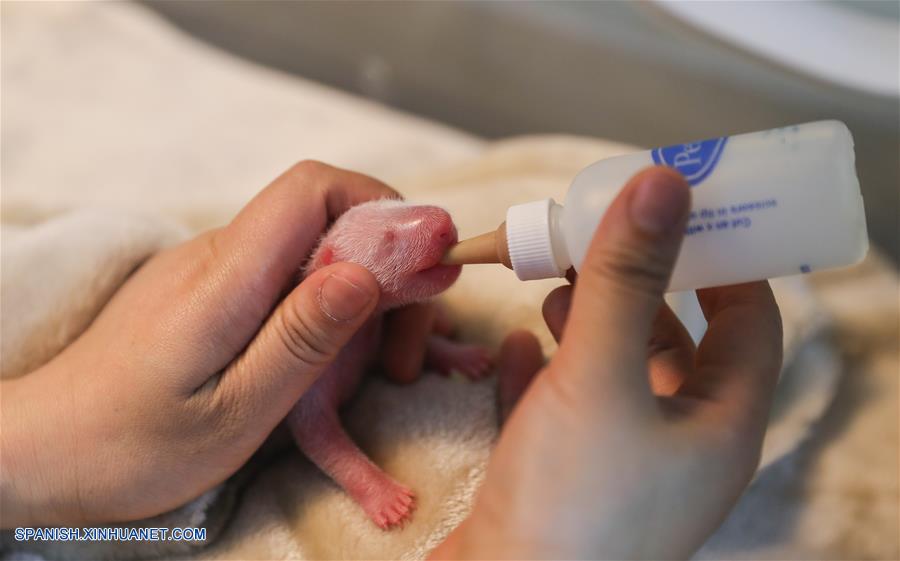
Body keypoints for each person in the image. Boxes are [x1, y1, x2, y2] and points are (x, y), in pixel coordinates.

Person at [0, 161, 782, 559]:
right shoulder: (300, 349)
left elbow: (393, 339)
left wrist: (440, 346)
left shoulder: (369, 314)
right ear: (333, 269)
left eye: (407, 222)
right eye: (394, 239)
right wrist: (369, 484)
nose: (429, 228)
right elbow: (316, 428)